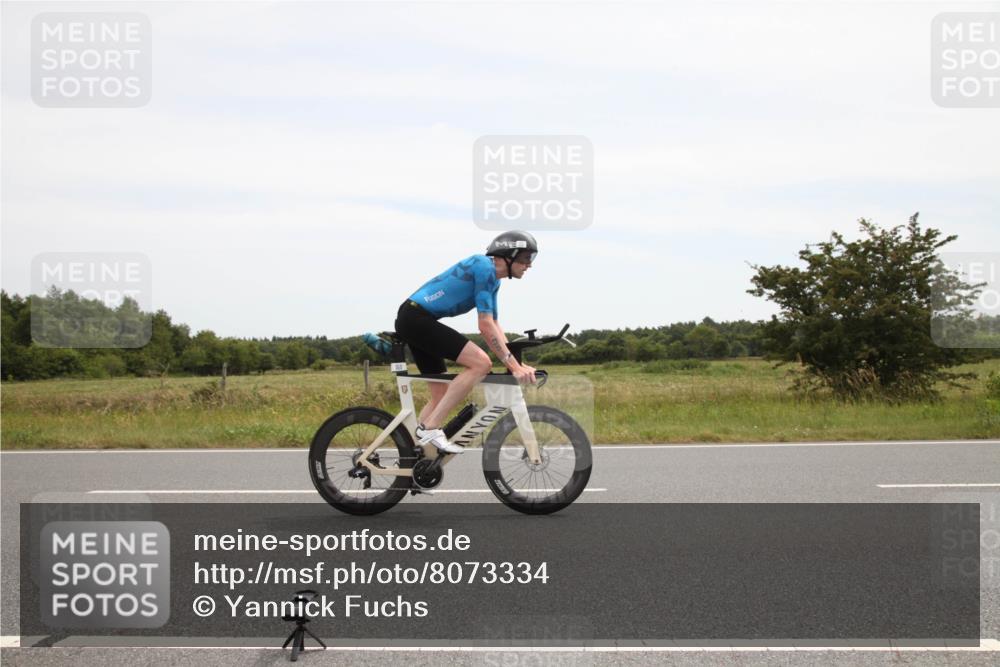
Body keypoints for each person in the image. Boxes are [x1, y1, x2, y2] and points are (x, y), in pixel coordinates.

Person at [394, 231, 539, 454]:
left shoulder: (493, 280)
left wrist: (516, 364)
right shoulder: (484, 267)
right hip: (416, 318)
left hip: (416, 319)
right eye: (526, 257)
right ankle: (430, 428)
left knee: (440, 395)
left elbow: (494, 324)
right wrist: (513, 366)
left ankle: (415, 457)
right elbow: (485, 326)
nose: (529, 264)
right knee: (481, 363)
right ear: (508, 255)